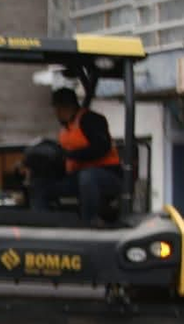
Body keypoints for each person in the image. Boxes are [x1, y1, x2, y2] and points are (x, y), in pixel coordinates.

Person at [30, 88, 123, 223]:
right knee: (41, 185)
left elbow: (102, 147)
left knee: (87, 177)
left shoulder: (91, 120)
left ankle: (88, 222)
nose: (55, 113)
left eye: (56, 108)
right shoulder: (65, 129)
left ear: (65, 107)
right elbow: (64, 160)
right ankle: (44, 222)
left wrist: (72, 155)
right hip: (77, 177)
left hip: (107, 176)